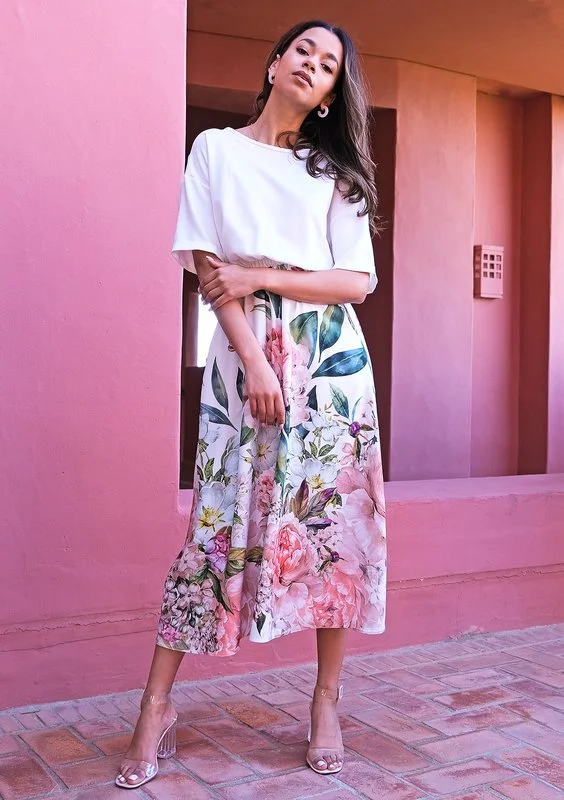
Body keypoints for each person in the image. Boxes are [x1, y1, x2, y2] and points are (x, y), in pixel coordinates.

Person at [116, 18, 387, 790]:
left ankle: (326, 701)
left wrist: (261, 275)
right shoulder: (216, 150)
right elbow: (209, 266)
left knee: (334, 531)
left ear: (331, 94)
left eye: (328, 64)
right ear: (274, 63)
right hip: (243, 362)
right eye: (303, 50)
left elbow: (356, 281)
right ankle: (154, 708)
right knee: (213, 528)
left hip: (329, 364)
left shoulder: (335, 174)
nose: (312, 64)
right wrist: (254, 361)